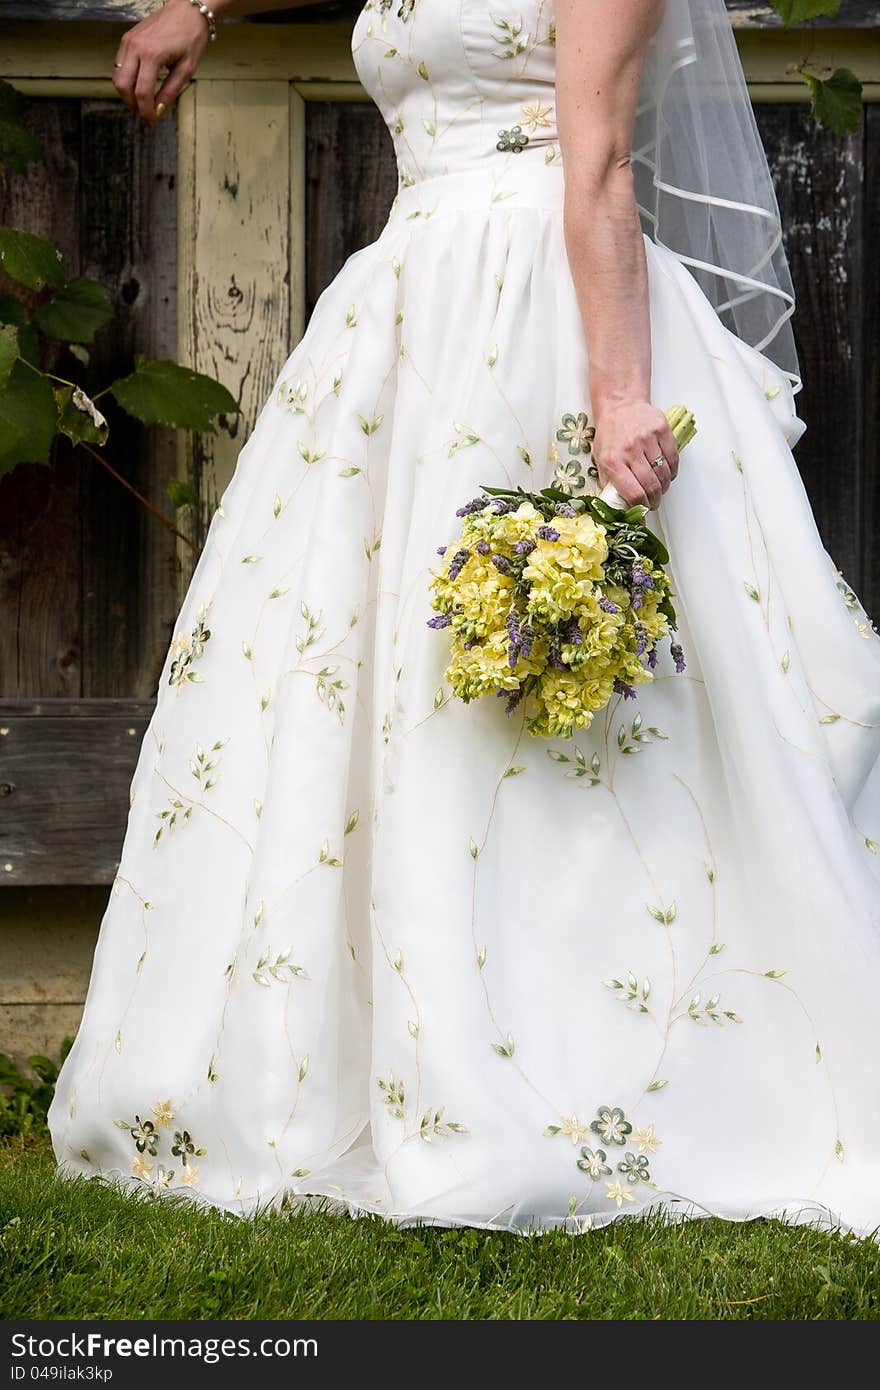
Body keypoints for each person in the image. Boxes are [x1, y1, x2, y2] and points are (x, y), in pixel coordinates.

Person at [49, 0, 880, 1236]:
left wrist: (614, 399)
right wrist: (200, 9)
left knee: (586, 724)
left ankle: (606, 1069)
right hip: (406, 315)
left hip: (548, 307)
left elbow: (596, 160)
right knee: (373, 691)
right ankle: (359, 1062)